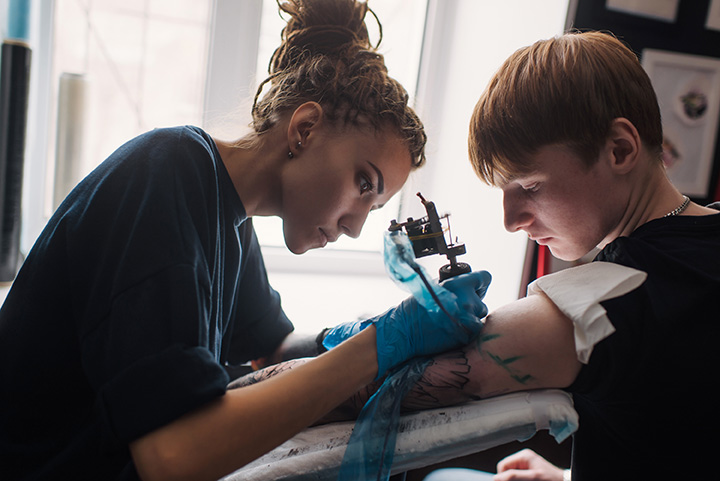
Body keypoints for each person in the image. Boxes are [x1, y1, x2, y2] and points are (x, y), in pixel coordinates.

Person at [0, 1, 493, 480]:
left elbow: (272, 348)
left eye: (375, 206)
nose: (355, 227)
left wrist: (364, 329)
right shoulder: (166, 177)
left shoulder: (230, 219)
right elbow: (173, 455)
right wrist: (378, 345)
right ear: (305, 129)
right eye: (364, 184)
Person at [241, 31, 720, 480]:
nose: (511, 221)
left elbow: (397, 377)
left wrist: (225, 403)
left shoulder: (620, 293)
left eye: (530, 186)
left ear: (619, 149)